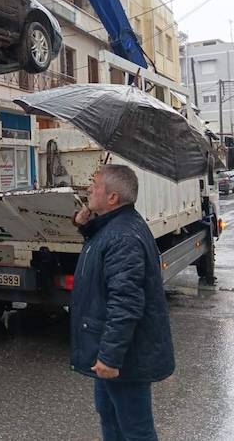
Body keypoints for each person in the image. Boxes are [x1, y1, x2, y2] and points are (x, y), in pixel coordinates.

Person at [71, 165, 174, 441]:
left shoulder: (124, 237)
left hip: (125, 358)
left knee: (135, 430)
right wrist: (85, 224)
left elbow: (125, 302)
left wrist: (110, 356)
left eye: (95, 185)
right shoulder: (115, 227)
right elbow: (104, 246)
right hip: (112, 350)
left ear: (113, 198)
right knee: (111, 419)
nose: (89, 189)